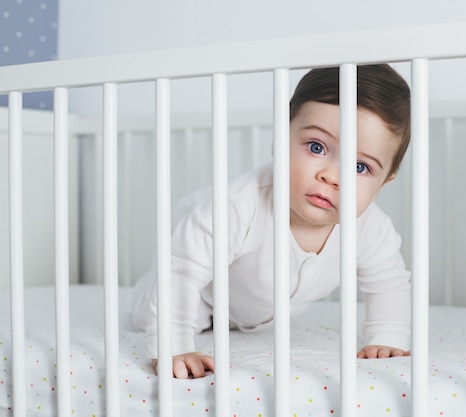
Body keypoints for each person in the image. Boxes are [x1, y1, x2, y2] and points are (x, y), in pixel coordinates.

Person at [132, 64, 412, 379]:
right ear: (280, 138)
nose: (331, 176)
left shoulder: (371, 229)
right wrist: (172, 345)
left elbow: (388, 283)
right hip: (197, 293)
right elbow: (181, 273)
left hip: (251, 315)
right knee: (166, 314)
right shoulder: (237, 206)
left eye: (360, 167)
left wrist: (387, 337)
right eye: (316, 147)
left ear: (384, 182)